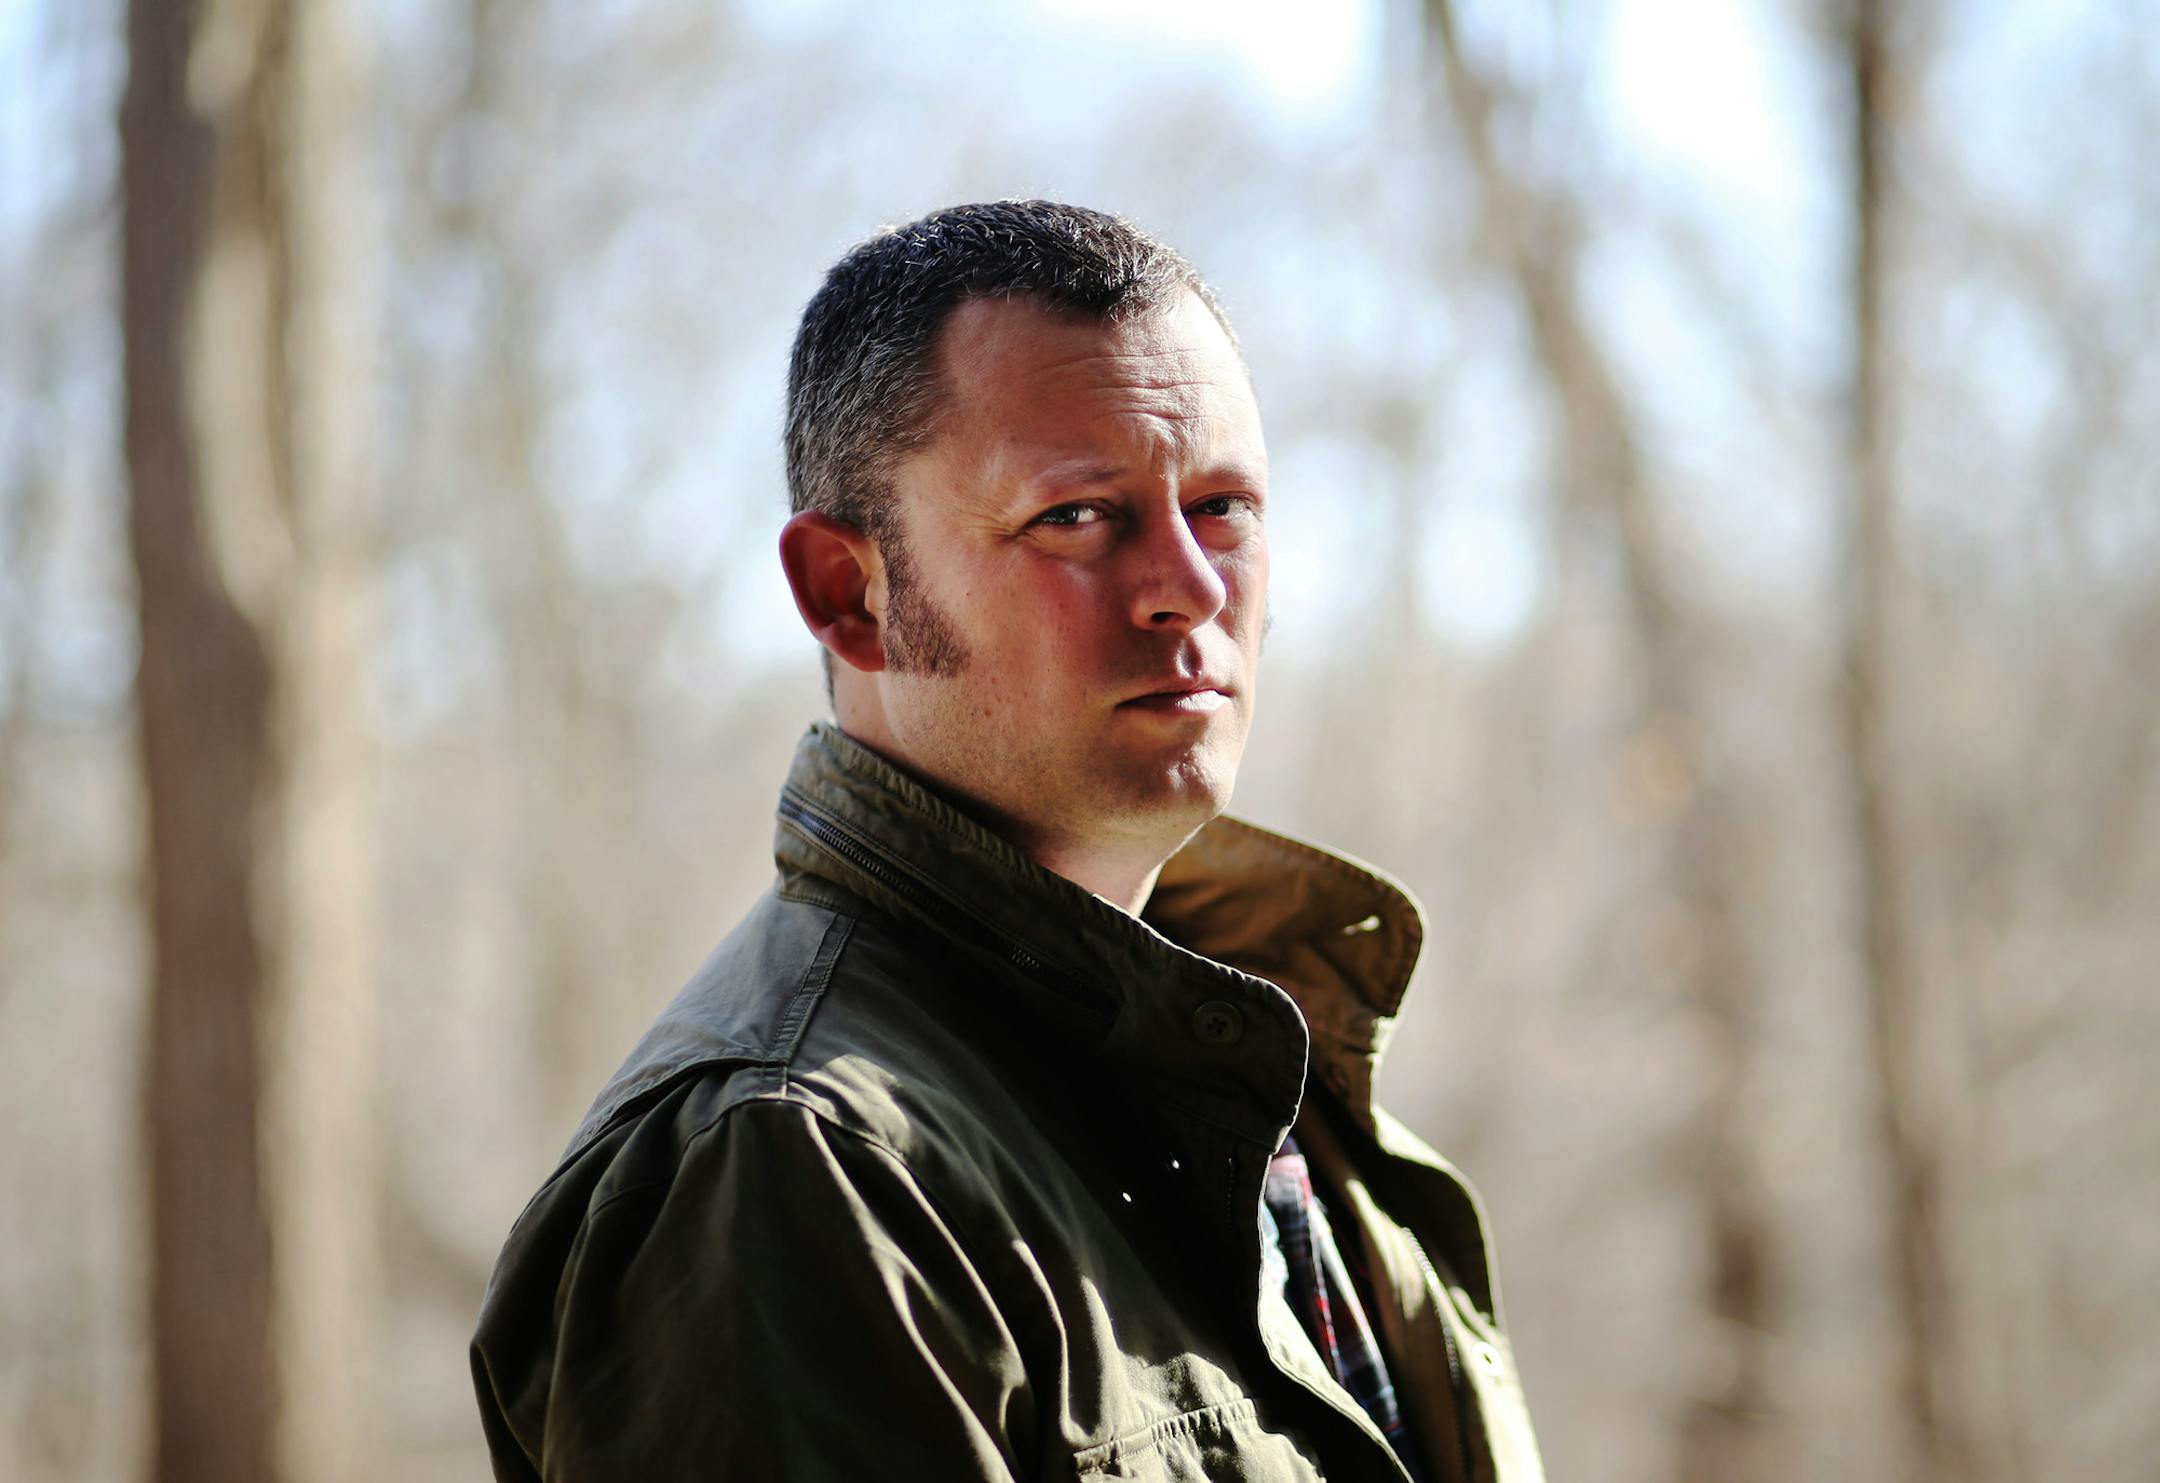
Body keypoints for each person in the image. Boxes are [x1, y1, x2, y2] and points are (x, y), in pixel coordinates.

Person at [470, 200, 1545, 1482]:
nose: (1191, 587)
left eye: (1222, 506)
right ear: (848, 594)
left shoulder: (1256, 1061)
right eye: (1080, 516)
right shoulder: (789, 1169)